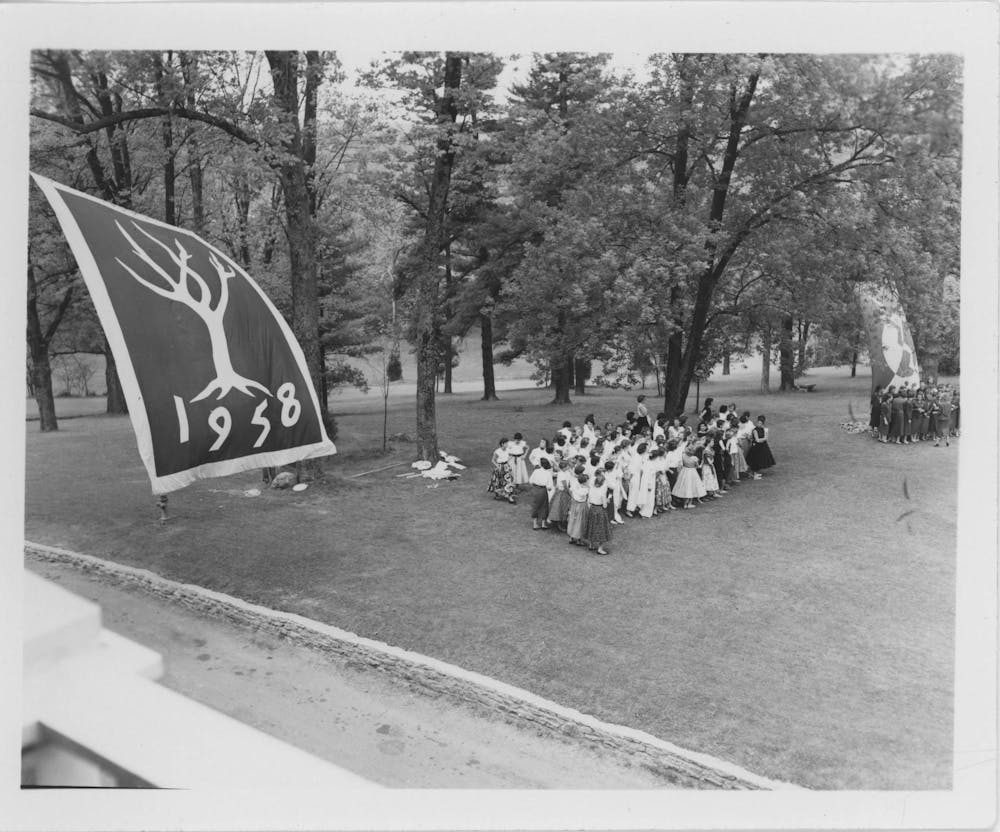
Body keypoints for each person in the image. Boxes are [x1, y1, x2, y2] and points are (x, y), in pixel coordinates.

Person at [584, 471, 612, 556]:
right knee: (601, 529)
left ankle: (591, 544)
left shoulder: (591, 490)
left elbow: (588, 500)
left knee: (592, 526)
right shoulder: (602, 492)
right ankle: (600, 548)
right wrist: (608, 499)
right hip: (600, 510)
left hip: (592, 508)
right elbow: (605, 505)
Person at [672, 442, 708, 508]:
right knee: (692, 486)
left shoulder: (683, 456)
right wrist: (701, 463)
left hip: (685, 471)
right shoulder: (694, 458)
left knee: (685, 486)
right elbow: (697, 466)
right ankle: (689, 503)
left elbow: (681, 464)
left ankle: (685, 504)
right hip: (692, 472)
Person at [488, 438, 517, 503]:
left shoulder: (508, 450)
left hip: (506, 466)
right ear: (502, 444)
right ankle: (498, 494)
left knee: (509, 480)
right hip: (500, 467)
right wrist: (497, 466)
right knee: (498, 481)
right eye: (506, 443)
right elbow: (493, 460)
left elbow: (511, 455)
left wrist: (508, 460)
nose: (507, 444)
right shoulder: (497, 451)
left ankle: (510, 496)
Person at [528, 458, 553, 530]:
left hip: (535, 489)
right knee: (544, 506)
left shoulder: (536, 471)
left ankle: (535, 524)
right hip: (542, 490)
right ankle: (543, 524)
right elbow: (549, 486)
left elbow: (530, 481)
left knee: (535, 505)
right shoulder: (548, 473)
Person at [566, 470, 590, 545]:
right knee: (580, 521)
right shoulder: (585, 489)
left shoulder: (574, 486)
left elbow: (571, 490)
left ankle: (571, 537)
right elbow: (584, 495)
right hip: (581, 505)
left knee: (573, 519)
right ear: (584, 482)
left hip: (574, 504)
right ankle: (579, 539)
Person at [548, 460, 572, 531]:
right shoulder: (562, 474)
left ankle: (560, 523)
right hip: (562, 492)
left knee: (562, 508)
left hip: (562, 492)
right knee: (560, 508)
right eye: (567, 466)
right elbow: (565, 486)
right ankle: (559, 524)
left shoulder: (563, 472)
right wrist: (570, 494)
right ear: (564, 467)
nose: (568, 467)